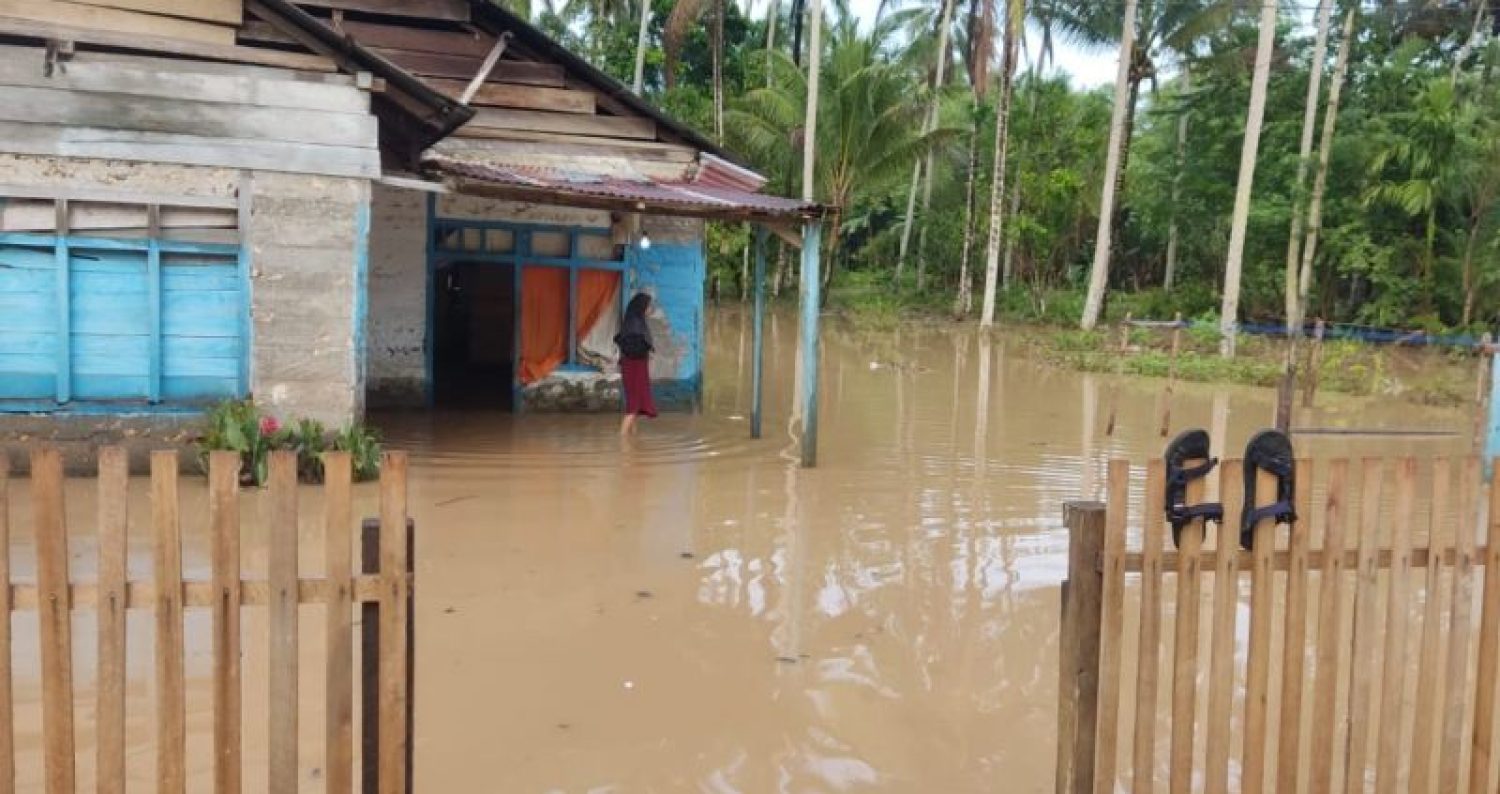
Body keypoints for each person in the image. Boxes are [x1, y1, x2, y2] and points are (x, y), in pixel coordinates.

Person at [615, 292, 657, 435]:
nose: (649, 309)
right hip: (634, 367)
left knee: (636, 405)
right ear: (641, 306)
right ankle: (623, 444)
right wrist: (646, 348)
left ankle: (633, 440)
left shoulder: (635, 320)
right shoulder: (634, 324)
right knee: (633, 406)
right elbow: (633, 347)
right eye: (647, 306)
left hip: (636, 367)